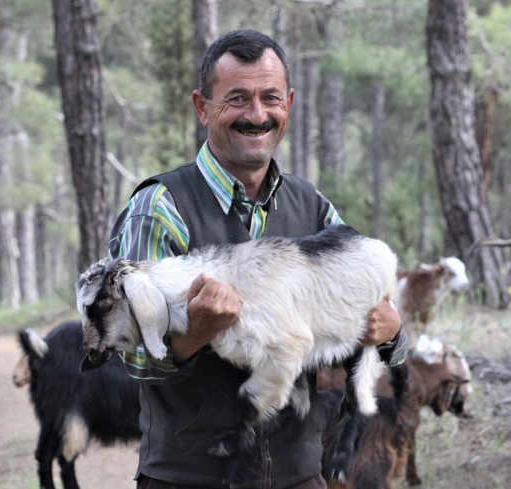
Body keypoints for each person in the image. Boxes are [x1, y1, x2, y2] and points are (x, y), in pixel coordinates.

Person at [108, 29, 408, 489]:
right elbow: (127, 358)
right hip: (188, 479)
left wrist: (390, 334)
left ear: (287, 103)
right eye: (237, 99)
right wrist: (194, 333)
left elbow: (383, 334)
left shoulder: (313, 208)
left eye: (270, 98)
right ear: (202, 107)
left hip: (300, 476)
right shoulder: (160, 208)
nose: (257, 115)